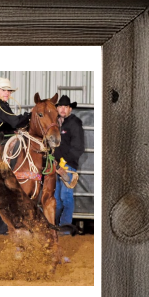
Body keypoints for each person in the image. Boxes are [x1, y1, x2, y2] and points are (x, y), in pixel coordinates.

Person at [53, 95, 85, 230]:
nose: (62, 109)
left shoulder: (74, 123)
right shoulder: (55, 123)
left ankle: (65, 228)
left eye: (65, 107)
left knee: (65, 197)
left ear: (70, 109)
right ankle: (54, 226)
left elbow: (78, 147)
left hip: (68, 165)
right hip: (55, 165)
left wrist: (64, 161)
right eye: (60, 106)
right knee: (56, 199)